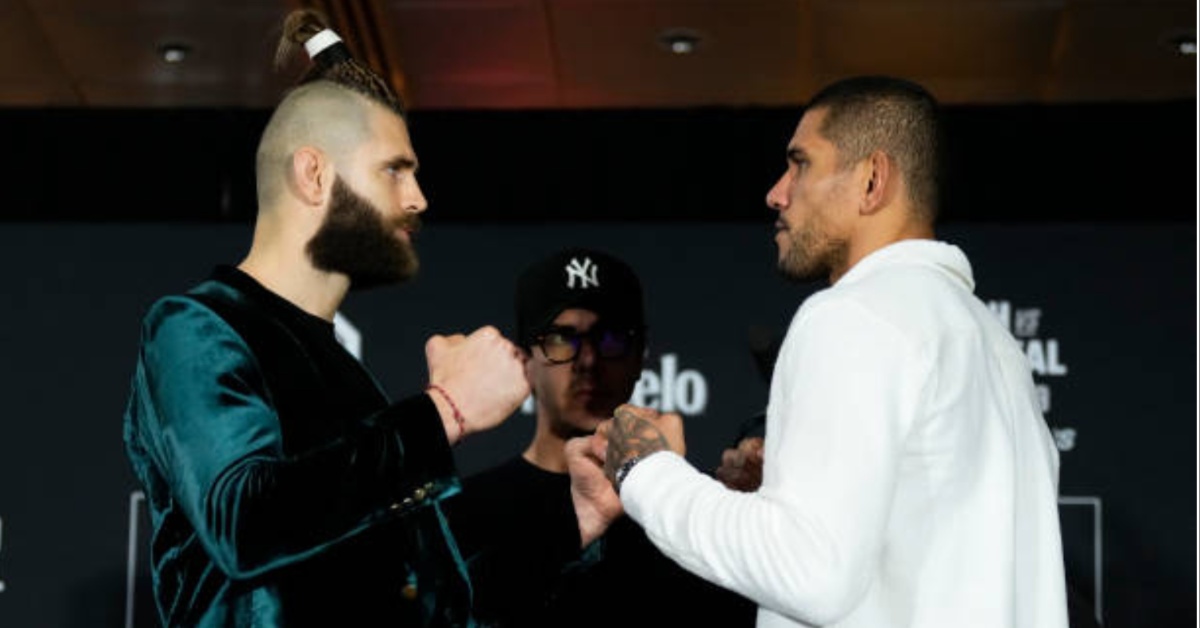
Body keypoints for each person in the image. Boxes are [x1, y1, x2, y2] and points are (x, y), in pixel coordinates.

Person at [574, 75, 1071, 627]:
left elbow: (810, 571)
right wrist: (785, 488)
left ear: (872, 180)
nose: (777, 192)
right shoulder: (997, 346)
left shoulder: (855, 313)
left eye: (800, 164)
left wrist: (646, 471)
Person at [121, 9, 528, 627]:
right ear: (314, 174)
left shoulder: (341, 369)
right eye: (395, 169)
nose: (418, 198)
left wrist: (565, 521)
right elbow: (246, 523)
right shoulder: (194, 328)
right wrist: (447, 408)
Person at [446, 247, 755, 627]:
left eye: (610, 338)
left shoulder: (687, 510)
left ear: (641, 354)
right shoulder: (464, 513)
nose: (588, 361)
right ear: (525, 358)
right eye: (562, 339)